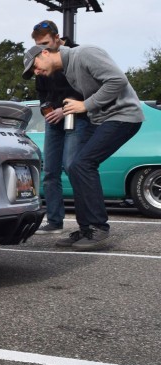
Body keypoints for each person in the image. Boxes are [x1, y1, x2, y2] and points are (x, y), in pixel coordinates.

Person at [23, 43, 144, 251]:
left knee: (83, 164)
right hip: (102, 119)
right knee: (75, 167)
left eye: (35, 66)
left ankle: (99, 227)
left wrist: (85, 105)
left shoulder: (85, 53)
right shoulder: (68, 71)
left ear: (44, 52)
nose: (36, 72)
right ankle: (86, 228)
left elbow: (117, 80)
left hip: (123, 116)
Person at [29, 20, 90, 236]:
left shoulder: (77, 54)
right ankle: (55, 221)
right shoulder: (41, 58)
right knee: (49, 171)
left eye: (46, 43)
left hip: (77, 116)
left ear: (57, 37)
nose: (44, 49)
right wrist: (46, 108)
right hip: (53, 120)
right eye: (39, 46)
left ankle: (88, 224)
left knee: (73, 166)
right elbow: (41, 93)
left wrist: (64, 110)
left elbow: (88, 91)